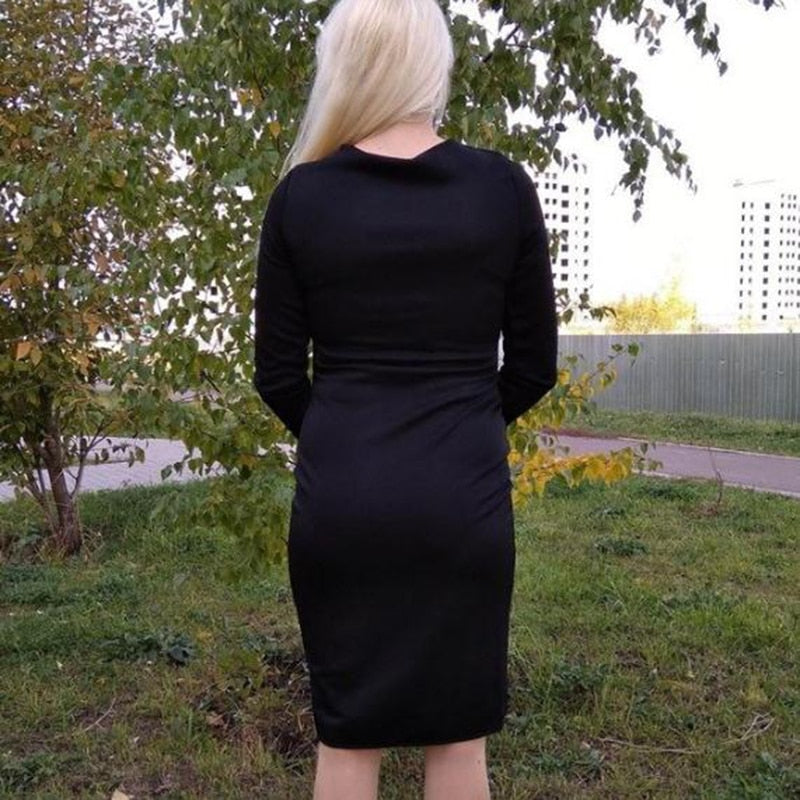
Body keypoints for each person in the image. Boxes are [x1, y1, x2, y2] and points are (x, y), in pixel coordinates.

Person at [252, 0, 559, 797]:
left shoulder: (301, 198)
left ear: (344, 63)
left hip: (343, 503)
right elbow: (534, 367)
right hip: (463, 501)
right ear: (433, 63)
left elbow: (277, 376)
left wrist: (344, 435)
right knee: (458, 741)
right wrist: (464, 424)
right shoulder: (501, 188)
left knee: (347, 742)